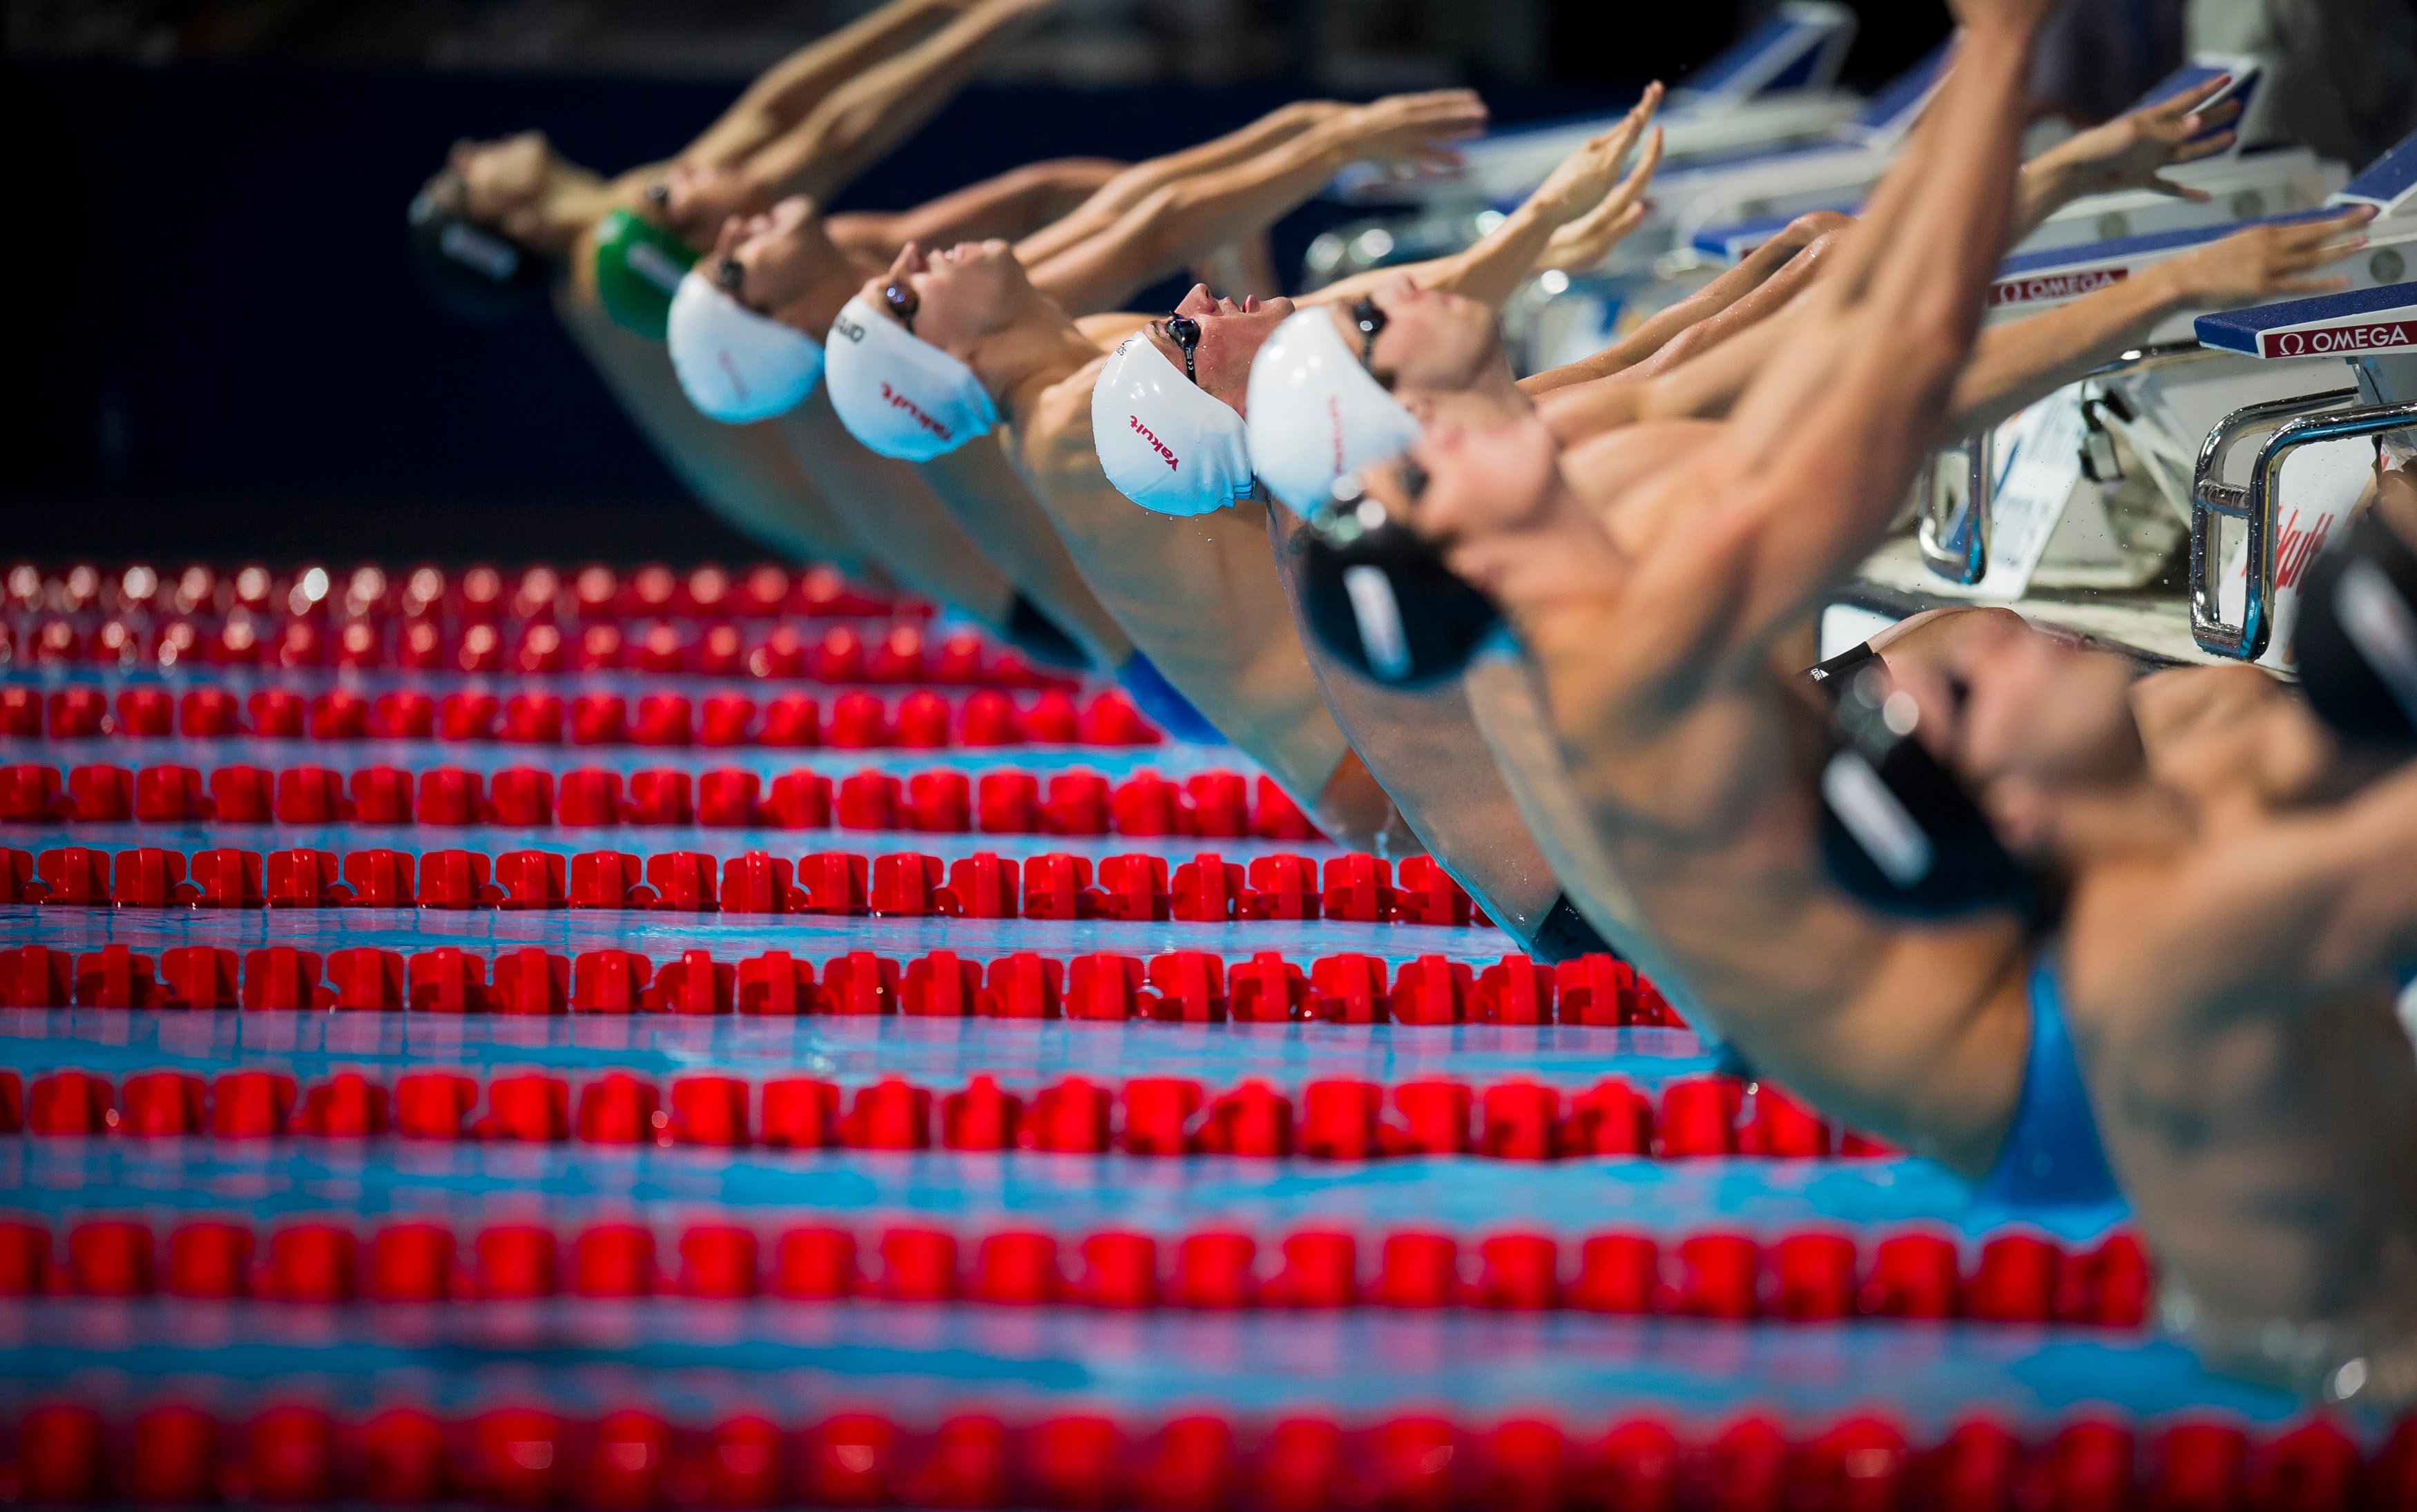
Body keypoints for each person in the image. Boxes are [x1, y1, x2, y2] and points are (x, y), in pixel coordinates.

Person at [816, 100, 1656, 893]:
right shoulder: (1077, 415)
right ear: (947, 358)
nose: (908, 261)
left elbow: (1248, 284)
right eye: (900, 298)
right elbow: (1188, 245)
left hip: (1322, 720)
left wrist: (1523, 238)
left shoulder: (1084, 379)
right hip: (1360, 762)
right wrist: (1528, 226)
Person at [668, 95, 1494, 705]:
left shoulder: (910, 343)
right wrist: (1327, 141)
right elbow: (1145, 227)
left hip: (1120, 640)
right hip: (1151, 653)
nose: (911, 266)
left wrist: (1307, 142)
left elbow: (1081, 201)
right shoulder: (963, 369)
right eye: (731, 267)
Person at [410, 0, 1115, 656]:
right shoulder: (622, 268)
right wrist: (998, 18)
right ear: (511, 228)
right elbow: (832, 133)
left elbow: (780, 106)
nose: (465, 152)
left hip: (953, 546)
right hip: (985, 561)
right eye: (461, 183)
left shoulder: (631, 229)